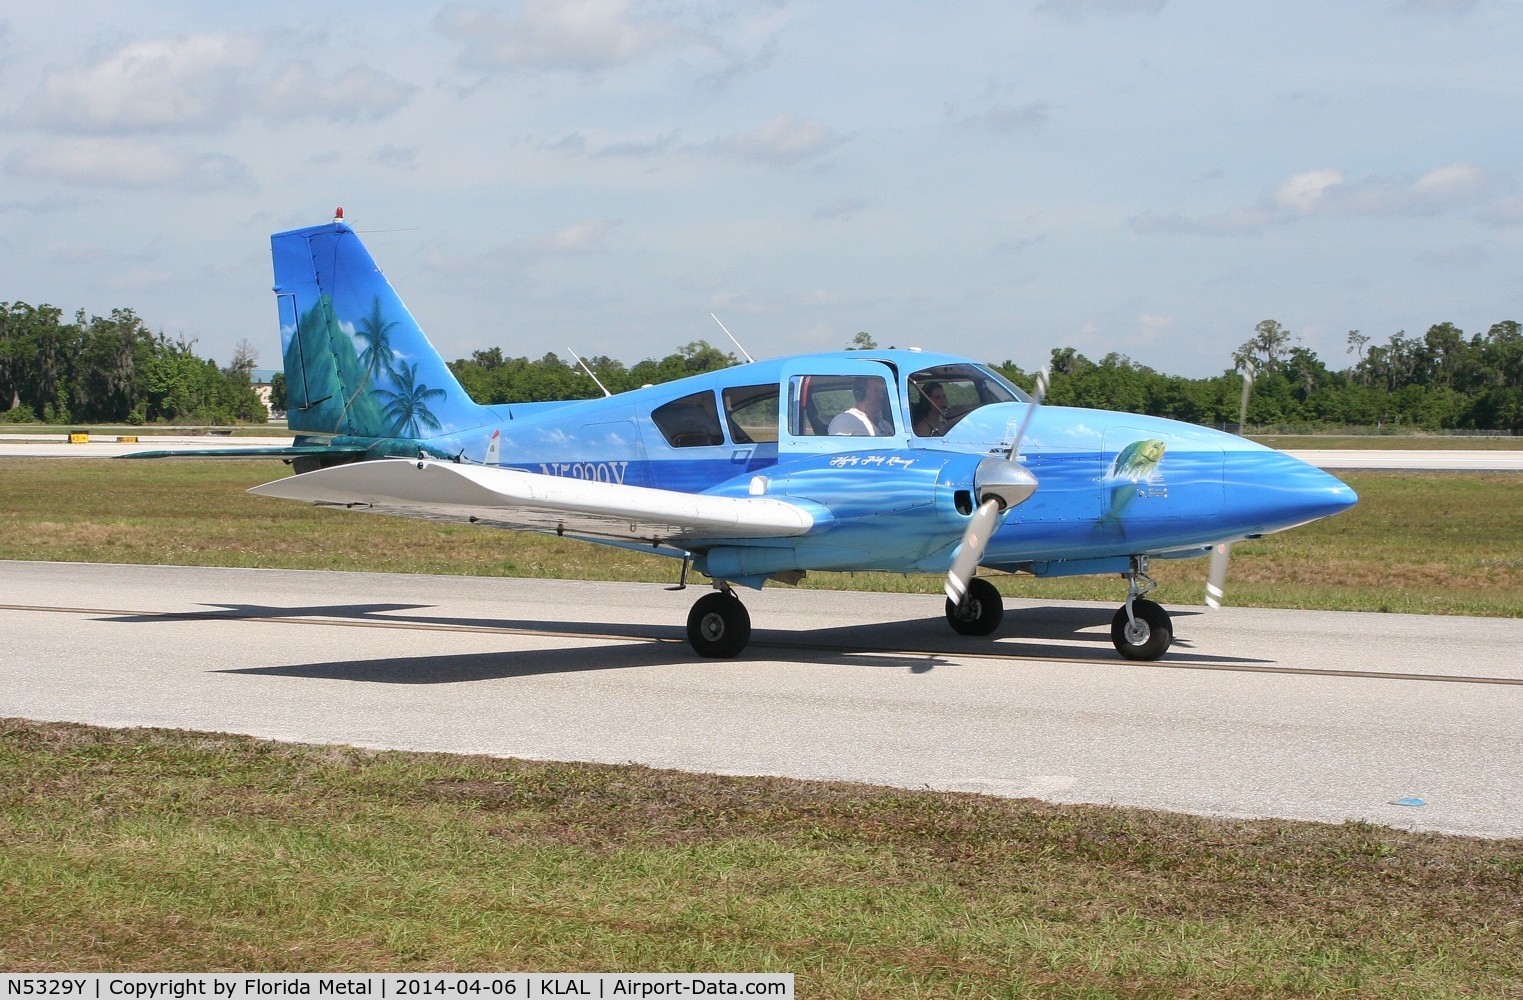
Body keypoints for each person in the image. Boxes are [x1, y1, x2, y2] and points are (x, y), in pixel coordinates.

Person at [828, 377, 893, 436]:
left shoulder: (886, 425)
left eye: (882, 392)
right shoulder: (844, 420)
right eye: (876, 390)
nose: (881, 396)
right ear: (861, 393)